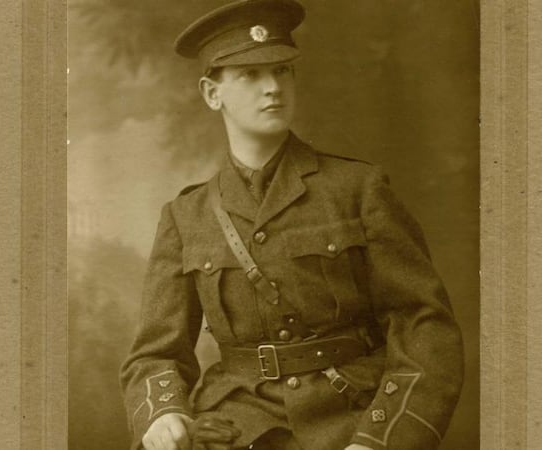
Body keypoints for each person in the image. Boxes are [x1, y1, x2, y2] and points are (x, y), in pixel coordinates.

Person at [119, 1, 464, 449]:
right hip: (237, 421)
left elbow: (425, 327)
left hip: (352, 415)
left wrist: (383, 437)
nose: (273, 89)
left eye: (282, 71)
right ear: (211, 93)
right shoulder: (187, 217)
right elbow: (155, 353)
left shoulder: (357, 189)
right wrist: (162, 413)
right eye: (250, 75)